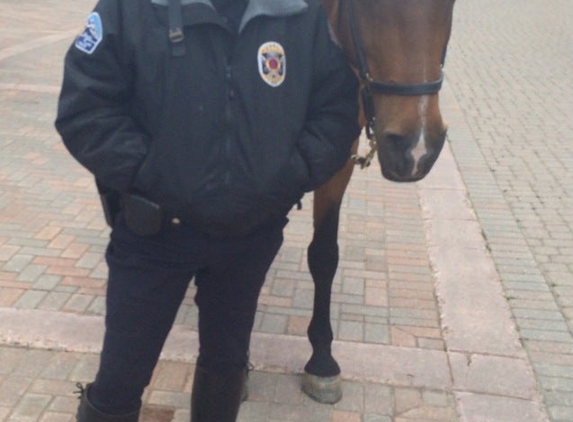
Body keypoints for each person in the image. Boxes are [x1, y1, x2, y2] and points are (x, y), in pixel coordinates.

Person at [55, 0, 360, 420]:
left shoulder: (295, 13)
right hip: (155, 238)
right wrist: (152, 173)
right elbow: (85, 106)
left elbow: (337, 109)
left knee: (226, 365)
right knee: (120, 379)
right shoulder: (131, 9)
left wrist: (287, 175)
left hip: (250, 238)